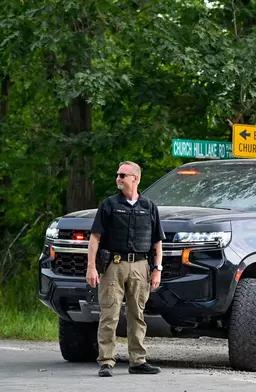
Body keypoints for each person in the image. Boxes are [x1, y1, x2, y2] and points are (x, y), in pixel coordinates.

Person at [86, 161, 165, 377]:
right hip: (114, 266)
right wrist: (91, 267)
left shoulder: (149, 207)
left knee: (137, 314)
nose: (118, 178)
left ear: (135, 179)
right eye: (117, 175)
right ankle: (106, 361)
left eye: (123, 175)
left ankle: (138, 361)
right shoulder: (109, 205)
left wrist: (157, 268)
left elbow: (158, 241)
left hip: (140, 267)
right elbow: (95, 237)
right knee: (109, 314)